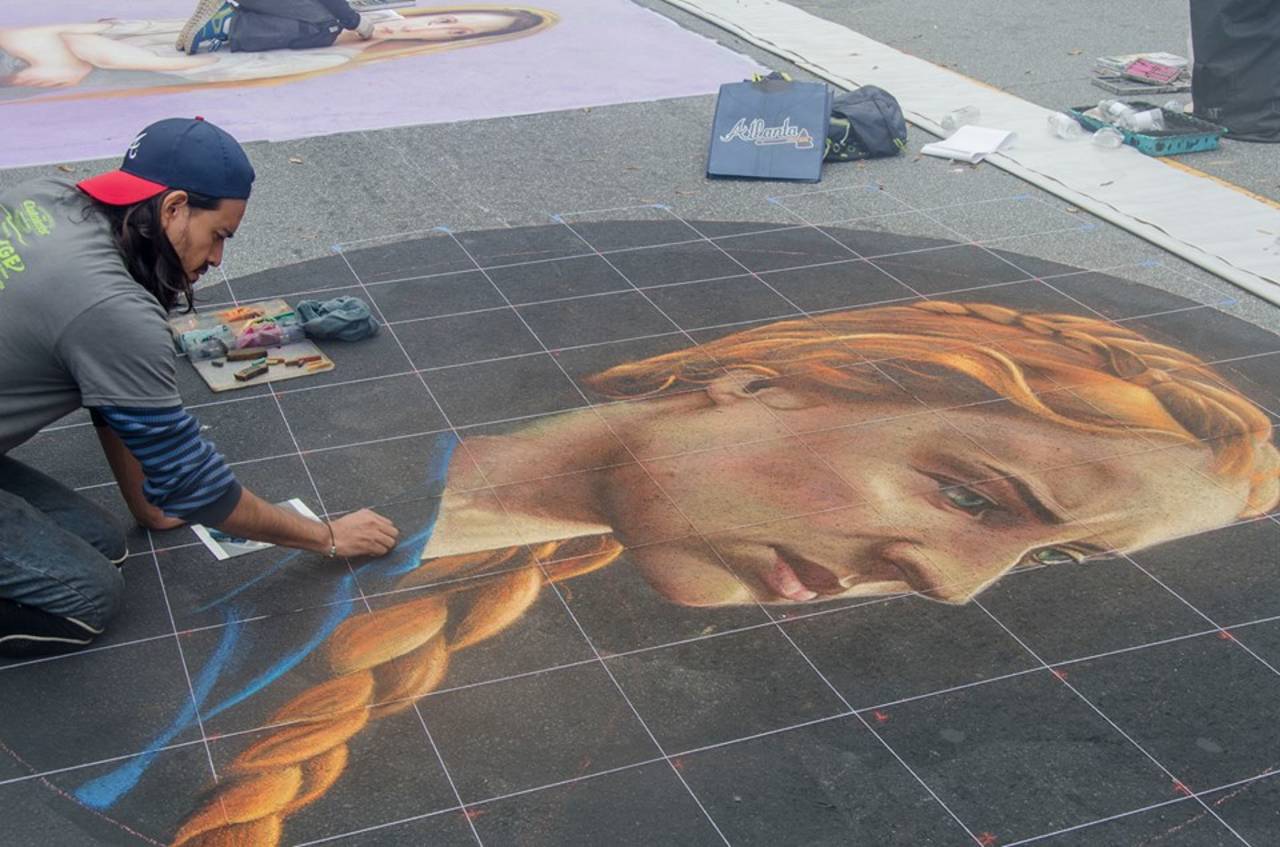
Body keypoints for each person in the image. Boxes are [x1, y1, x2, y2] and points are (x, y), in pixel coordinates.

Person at [89, 299, 1272, 846]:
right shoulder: (318, 462)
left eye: (1047, 554)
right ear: (761, 381)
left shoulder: (480, 632)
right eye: (969, 496)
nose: (952, 585)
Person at [0, 116, 399, 658]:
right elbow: (198, 490)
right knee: (85, 597)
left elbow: (108, 391)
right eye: (219, 236)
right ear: (174, 208)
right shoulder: (113, 310)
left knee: (102, 544)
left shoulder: (45, 198)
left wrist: (149, 506)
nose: (216, 259)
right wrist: (327, 537)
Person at [0, 7, 554, 98]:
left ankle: (227, 23)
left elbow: (183, 67)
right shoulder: (350, 18)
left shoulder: (332, 57)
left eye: (454, 35)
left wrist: (69, 57)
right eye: (450, 19)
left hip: (177, 48)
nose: (438, 29)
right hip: (183, 38)